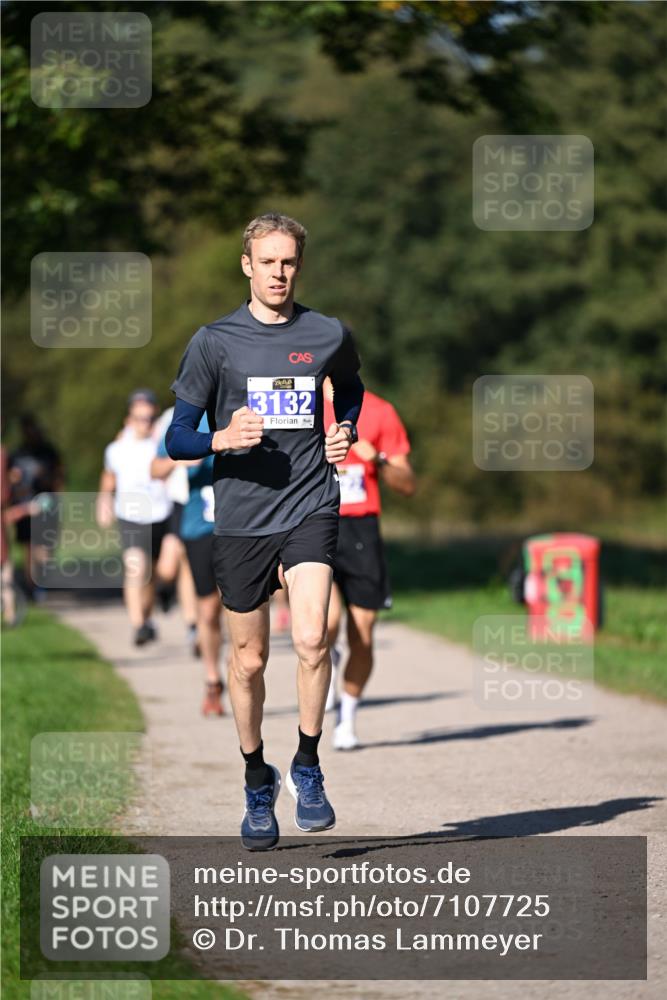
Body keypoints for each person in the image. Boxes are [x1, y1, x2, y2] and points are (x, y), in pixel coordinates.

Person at [166, 212, 363, 850]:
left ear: (298, 265)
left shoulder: (327, 332)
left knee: (311, 637)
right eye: (268, 261)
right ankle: (257, 776)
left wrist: (344, 429)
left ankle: (307, 764)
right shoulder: (214, 342)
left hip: (311, 504)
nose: (279, 273)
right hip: (242, 519)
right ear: (247, 265)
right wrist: (219, 439)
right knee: (249, 662)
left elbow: (350, 389)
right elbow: (177, 437)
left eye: (289, 262)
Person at [323, 378, 416, 750]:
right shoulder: (301, 406)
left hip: (361, 530)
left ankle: (346, 718)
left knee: (362, 633)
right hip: (315, 524)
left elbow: (407, 485)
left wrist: (375, 457)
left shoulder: (379, 411)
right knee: (325, 622)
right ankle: (325, 659)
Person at [151, 413, 226, 716]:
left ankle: (243, 673)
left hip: (243, 525)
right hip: (200, 526)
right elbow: (155, 467)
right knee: (208, 611)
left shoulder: (249, 405)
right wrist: (180, 460)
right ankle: (212, 680)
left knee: (242, 609)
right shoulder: (190, 417)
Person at [96, 391, 173, 646]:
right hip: (130, 514)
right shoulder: (116, 449)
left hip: (160, 513)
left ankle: (148, 615)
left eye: (149, 418)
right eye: (140, 418)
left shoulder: (162, 444)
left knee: (157, 573)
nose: (145, 423)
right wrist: (104, 501)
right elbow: (109, 476)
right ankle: (138, 625)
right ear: (129, 419)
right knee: (136, 568)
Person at [8, 415, 64, 595]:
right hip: (24, 504)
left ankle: (41, 580)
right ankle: (32, 587)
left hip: (46, 504)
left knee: (44, 546)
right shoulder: (17, 454)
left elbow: (59, 477)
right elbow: (9, 481)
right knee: (29, 547)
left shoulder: (48, 452)